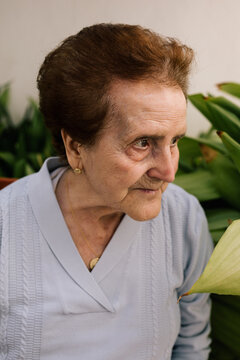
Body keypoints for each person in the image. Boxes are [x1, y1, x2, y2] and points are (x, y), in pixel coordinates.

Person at [0, 24, 213, 359]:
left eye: (174, 141)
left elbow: (191, 344)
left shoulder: (183, 219)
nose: (169, 171)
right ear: (75, 147)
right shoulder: (5, 225)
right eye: (142, 143)